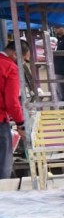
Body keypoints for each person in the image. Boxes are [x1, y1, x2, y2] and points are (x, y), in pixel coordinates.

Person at [0, 40, 28, 179]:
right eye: (23, 59)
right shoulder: (10, 67)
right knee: (3, 163)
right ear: (15, 54)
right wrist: (21, 124)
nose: (23, 63)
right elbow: (12, 102)